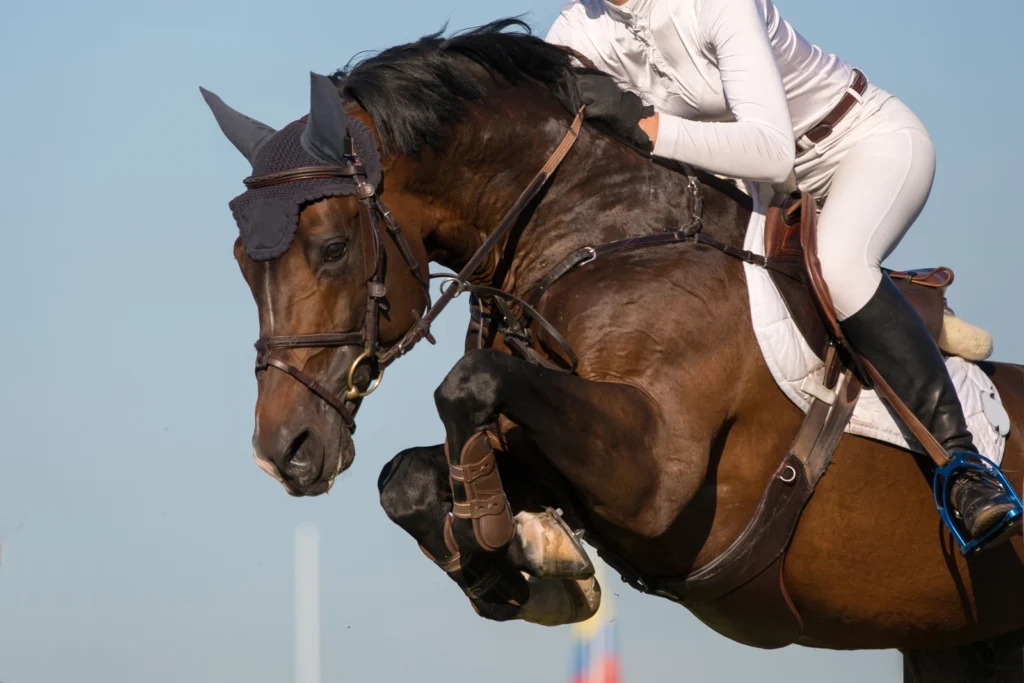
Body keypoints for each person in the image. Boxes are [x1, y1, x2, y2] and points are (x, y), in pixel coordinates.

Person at [545, 0, 1020, 547]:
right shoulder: (576, 30)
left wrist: (646, 126)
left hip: (856, 144)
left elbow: (771, 152)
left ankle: (964, 469)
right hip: (759, 190)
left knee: (840, 266)